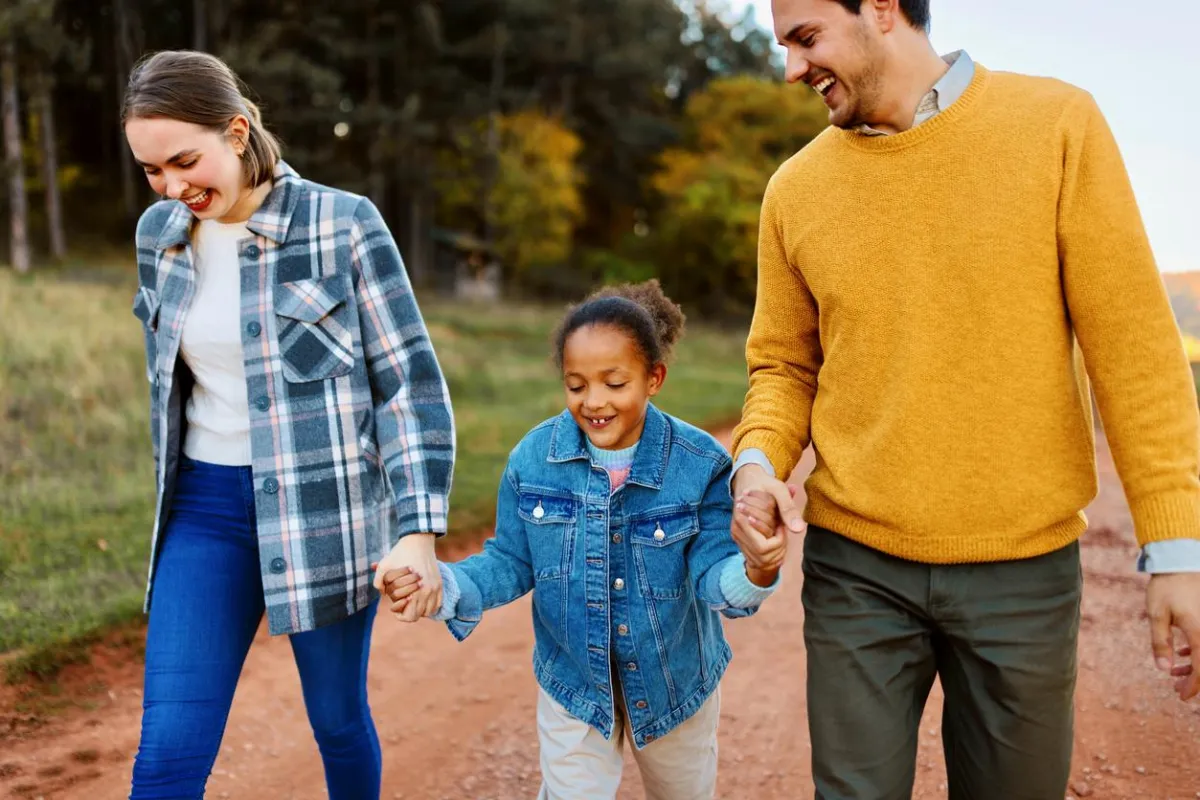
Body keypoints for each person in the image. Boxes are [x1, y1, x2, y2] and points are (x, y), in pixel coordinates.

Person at [728, 1, 1200, 797]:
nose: (790, 69)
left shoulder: (1056, 126)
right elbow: (782, 366)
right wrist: (754, 463)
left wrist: (1177, 551)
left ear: (881, 10)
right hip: (856, 570)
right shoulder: (795, 190)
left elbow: (1136, 352)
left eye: (805, 39)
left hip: (1024, 570)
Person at [122, 50, 454, 799]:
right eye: (151, 170)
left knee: (336, 722)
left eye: (184, 160)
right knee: (167, 754)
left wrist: (417, 527)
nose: (174, 188)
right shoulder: (158, 236)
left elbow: (409, 385)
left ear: (236, 131)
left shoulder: (344, 224)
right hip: (203, 513)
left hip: (326, 513)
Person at [384, 280, 783, 799]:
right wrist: (443, 582)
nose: (594, 402)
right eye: (576, 386)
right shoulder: (533, 460)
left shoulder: (700, 464)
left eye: (614, 384)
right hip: (574, 687)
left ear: (653, 378)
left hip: (674, 688)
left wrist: (758, 570)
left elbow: (713, 575)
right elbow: (508, 560)